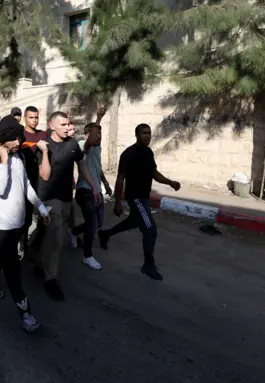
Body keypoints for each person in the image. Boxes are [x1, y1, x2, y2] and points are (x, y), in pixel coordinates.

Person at [0, 115, 51, 333]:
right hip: (3, 224)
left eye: (19, 139)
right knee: (13, 270)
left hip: (19, 221)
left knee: (3, 258)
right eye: (13, 139)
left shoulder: (19, 156)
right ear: (3, 139)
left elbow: (26, 186)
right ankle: (26, 315)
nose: (18, 143)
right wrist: (3, 162)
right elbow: (0, 190)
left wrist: (40, 207)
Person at [98, 124, 181, 281]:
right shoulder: (128, 154)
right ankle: (148, 265)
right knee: (150, 229)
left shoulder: (148, 153)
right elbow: (120, 178)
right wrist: (117, 202)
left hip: (144, 197)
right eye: (144, 133)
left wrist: (170, 182)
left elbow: (154, 174)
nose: (147, 136)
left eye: (149, 133)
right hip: (135, 198)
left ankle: (105, 234)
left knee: (133, 222)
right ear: (137, 135)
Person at [35, 111, 98, 301]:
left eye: (67, 123)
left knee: (50, 237)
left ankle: (40, 263)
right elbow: (44, 176)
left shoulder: (72, 144)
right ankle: (50, 280)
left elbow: (82, 164)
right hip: (49, 198)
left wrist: (94, 186)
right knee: (56, 240)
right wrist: (45, 152)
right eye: (62, 124)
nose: (67, 127)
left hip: (66, 199)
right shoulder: (44, 146)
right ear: (52, 126)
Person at [69, 122, 113, 270]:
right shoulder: (82, 145)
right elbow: (88, 143)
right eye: (97, 134)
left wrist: (106, 184)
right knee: (93, 223)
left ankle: (74, 231)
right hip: (84, 191)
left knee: (99, 222)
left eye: (100, 134)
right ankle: (87, 256)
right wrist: (99, 118)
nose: (99, 136)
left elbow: (98, 168)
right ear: (88, 134)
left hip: (97, 191)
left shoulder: (98, 148)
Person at [18, 106, 49, 257]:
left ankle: (35, 246)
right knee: (26, 217)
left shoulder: (43, 134)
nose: (34, 120)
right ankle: (22, 243)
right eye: (31, 117)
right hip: (24, 182)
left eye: (36, 117)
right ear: (25, 118)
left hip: (41, 182)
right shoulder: (19, 136)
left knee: (44, 216)